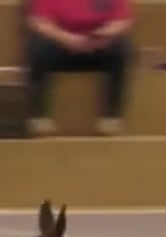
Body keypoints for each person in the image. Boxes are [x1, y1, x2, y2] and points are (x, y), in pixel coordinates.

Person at [23, 0, 136, 136]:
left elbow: (121, 21)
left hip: (98, 46)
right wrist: (68, 39)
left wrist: (102, 36)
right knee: (37, 48)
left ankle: (111, 118)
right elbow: (40, 22)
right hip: (60, 46)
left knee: (122, 48)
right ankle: (38, 117)